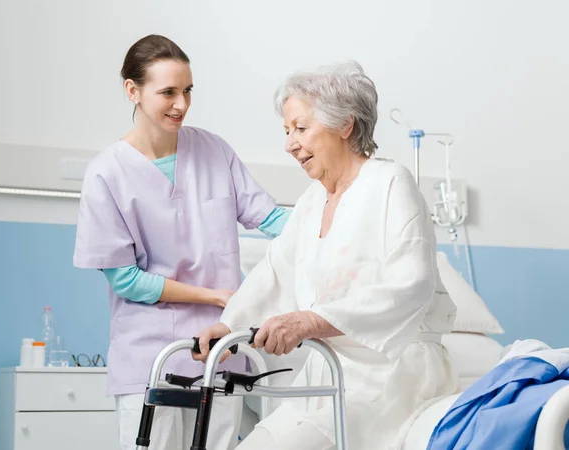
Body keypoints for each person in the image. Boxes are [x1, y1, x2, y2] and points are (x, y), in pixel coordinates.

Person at [194, 61, 459, 450]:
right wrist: (230, 326)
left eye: (300, 128)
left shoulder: (390, 183)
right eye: (287, 131)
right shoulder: (312, 201)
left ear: (345, 125)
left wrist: (311, 321)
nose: (289, 143)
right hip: (329, 376)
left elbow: (412, 286)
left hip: (390, 376)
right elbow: (276, 272)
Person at [73, 34, 290, 450]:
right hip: (149, 357)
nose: (182, 104)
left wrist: (336, 214)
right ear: (132, 91)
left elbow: (270, 217)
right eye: (168, 92)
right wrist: (213, 296)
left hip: (219, 353)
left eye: (188, 90)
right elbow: (125, 279)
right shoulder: (107, 173)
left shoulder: (213, 151)